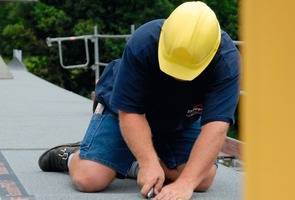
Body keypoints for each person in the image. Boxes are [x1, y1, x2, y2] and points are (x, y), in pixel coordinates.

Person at [38, 1, 241, 200]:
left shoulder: (227, 62)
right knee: (89, 177)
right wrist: (148, 163)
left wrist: (185, 184)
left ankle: (131, 163)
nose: (179, 77)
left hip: (178, 118)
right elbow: (131, 112)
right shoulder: (144, 42)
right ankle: (72, 156)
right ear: (164, 38)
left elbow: (216, 127)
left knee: (202, 180)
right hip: (125, 111)